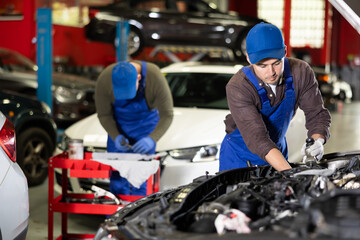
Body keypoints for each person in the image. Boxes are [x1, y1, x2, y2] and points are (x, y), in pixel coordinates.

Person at [219, 22, 331, 172]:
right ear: (248, 58)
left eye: (277, 63)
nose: (271, 72)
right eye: (262, 65)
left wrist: (317, 141)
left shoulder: (301, 72)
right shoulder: (239, 86)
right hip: (239, 160)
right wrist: (290, 174)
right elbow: (257, 139)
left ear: (285, 51)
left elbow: (316, 114)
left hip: (277, 153)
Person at [95, 60, 173, 195]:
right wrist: (115, 136)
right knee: (117, 178)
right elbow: (104, 115)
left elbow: (167, 115)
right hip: (119, 127)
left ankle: (140, 214)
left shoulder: (154, 77)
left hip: (145, 128)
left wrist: (152, 139)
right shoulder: (104, 79)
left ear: (139, 78)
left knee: (142, 180)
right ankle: (118, 213)